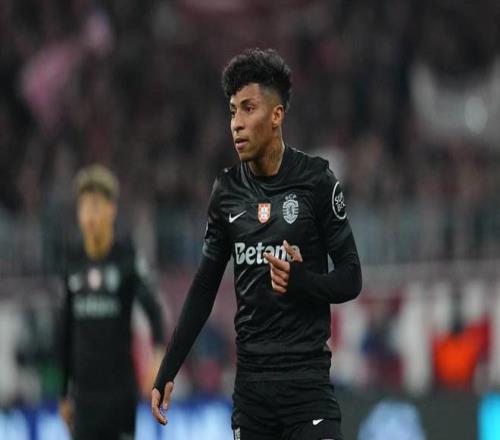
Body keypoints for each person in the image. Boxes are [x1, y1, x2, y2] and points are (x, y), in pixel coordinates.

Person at [151, 48, 362, 440]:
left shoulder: (317, 181)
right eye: (233, 111)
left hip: (307, 387)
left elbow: (352, 278)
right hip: (252, 393)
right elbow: (203, 288)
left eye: (249, 109)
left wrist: (303, 281)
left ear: (276, 115)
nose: (237, 123)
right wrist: (168, 368)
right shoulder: (226, 191)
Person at [59, 164, 165, 440]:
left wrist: (158, 358)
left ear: (111, 210)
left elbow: (154, 311)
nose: (89, 215)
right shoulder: (72, 260)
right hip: (83, 399)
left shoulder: (126, 257)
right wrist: (63, 393)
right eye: (84, 207)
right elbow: (65, 331)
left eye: (96, 206)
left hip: (119, 397)